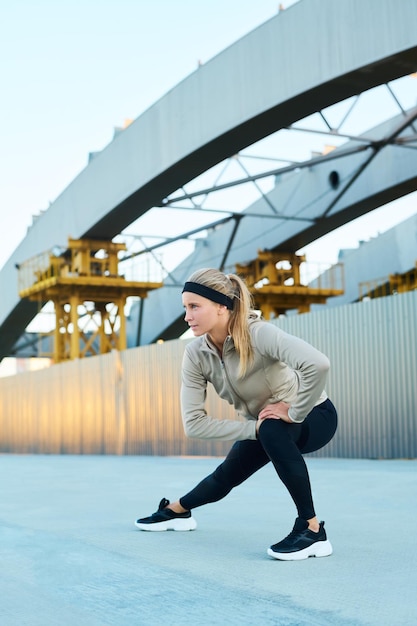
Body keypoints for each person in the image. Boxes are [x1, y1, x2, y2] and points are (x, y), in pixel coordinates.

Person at [135, 268, 338, 561]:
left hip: (315, 415)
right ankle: (176, 510)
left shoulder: (259, 333)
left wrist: (294, 411)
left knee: (271, 429)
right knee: (225, 476)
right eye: (185, 307)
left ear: (221, 306)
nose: (187, 316)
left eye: (195, 306)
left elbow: (318, 365)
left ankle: (312, 529)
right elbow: (194, 424)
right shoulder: (196, 354)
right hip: (266, 426)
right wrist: (252, 430)